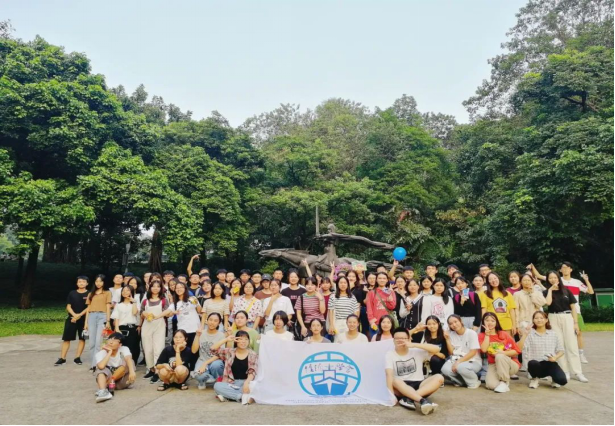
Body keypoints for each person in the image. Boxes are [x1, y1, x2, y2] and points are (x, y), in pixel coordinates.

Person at [532, 262, 594, 364]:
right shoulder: (556, 279)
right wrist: (532, 266)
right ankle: (562, 358)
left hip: (575, 310)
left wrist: (586, 280)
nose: (565, 269)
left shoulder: (577, 282)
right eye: (563, 267)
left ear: (571, 269)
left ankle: (581, 354)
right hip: (557, 312)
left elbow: (590, 291)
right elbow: (539, 276)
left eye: (567, 267)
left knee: (578, 333)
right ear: (560, 270)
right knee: (559, 337)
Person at [385, 328, 443, 415]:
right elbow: (388, 374)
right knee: (394, 380)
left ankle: (409, 399)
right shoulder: (390, 354)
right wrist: (391, 395)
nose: (400, 340)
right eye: (397, 338)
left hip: (419, 385)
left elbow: (437, 349)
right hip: (401, 387)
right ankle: (422, 400)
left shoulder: (416, 351)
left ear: (409, 339)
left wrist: (414, 345)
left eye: (403, 338)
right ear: (393, 340)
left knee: (439, 377)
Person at [544, 271, 588, 383]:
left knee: (572, 345)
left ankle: (578, 372)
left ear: (558, 278)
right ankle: (565, 371)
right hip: (553, 317)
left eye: (555, 277)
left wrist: (575, 323)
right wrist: (550, 290)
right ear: (548, 280)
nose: (553, 280)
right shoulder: (546, 292)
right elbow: (548, 303)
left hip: (567, 317)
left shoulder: (566, 291)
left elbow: (573, 307)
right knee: (559, 345)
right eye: (550, 278)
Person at [518, 311, 568, 389]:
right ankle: (535, 378)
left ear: (546, 320)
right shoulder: (530, 334)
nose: (539, 320)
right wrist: (525, 334)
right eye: (536, 318)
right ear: (533, 320)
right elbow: (519, 348)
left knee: (562, 380)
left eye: (542, 318)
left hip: (550, 363)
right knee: (532, 363)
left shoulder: (553, 334)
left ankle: (554, 378)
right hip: (535, 364)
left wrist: (555, 357)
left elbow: (561, 350)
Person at [479, 313, 521, 393]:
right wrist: (487, 335)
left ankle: (504, 381)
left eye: (492, 320)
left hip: (510, 364)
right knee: (491, 385)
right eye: (487, 320)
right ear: (483, 322)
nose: (490, 322)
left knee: (499, 356)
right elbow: (484, 350)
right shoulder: (481, 335)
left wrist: (503, 353)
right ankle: (502, 381)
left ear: (496, 322)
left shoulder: (503, 334)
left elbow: (517, 351)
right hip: (493, 364)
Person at [211, 331, 258, 404]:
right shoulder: (229, 352)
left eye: (246, 339)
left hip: (246, 382)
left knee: (256, 386)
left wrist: (246, 383)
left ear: (249, 341)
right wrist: (226, 339)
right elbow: (213, 349)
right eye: (240, 339)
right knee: (217, 386)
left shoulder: (253, 354)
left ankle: (228, 396)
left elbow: (252, 371)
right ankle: (241, 397)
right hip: (231, 383)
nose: (243, 341)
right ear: (236, 341)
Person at [141, 280, 174, 384]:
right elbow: (141, 313)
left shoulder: (164, 300)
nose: (155, 288)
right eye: (153, 286)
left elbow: (168, 313)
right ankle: (151, 369)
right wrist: (144, 314)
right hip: (147, 326)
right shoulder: (145, 301)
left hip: (159, 326)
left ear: (161, 288)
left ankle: (157, 371)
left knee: (158, 349)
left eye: (158, 286)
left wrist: (170, 312)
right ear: (149, 288)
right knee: (147, 349)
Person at [55, 276, 89, 366]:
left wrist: (79, 315)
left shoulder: (89, 294)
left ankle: (77, 358)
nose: (81, 283)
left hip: (84, 320)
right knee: (66, 338)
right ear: (77, 283)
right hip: (71, 319)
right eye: (79, 281)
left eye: (83, 281)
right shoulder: (72, 293)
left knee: (82, 338)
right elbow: (68, 306)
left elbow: (89, 307)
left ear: (87, 283)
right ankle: (62, 358)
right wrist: (74, 315)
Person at [93, 332, 136, 403]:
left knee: (129, 362)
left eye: (115, 340)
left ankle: (103, 387)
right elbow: (101, 366)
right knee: (100, 369)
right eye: (110, 339)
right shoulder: (101, 353)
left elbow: (128, 358)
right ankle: (103, 392)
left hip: (120, 382)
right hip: (109, 383)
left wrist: (132, 372)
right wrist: (109, 352)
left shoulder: (124, 349)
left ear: (120, 345)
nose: (111, 342)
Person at [441, 315, 482, 389]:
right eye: (451, 323)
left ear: (461, 321)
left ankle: (474, 382)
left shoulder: (472, 333)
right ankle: (462, 382)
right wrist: (447, 339)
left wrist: (458, 362)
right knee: (445, 370)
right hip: (456, 359)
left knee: (460, 367)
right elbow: (451, 353)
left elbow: (473, 352)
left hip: (473, 361)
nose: (454, 325)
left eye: (455, 322)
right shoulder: (451, 334)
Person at [191, 313, 226, 390]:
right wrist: (197, 335)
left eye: (215, 321)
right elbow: (194, 350)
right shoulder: (201, 333)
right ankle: (205, 380)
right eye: (210, 320)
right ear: (207, 321)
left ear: (219, 323)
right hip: (202, 360)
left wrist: (205, 363)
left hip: (215, 361)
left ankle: (217, 380)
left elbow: (219, 354)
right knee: (197, 374)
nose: (212, 322)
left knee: (216, 365)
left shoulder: (221, 335)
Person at [84, 274, 112, 370]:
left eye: (100, 281)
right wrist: (86, 323)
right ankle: (93, 362)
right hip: (91, 316)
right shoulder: (91, 294)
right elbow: (88, 309)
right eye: (96, 281)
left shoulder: (107, 293)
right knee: (91, 343)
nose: (98, 283)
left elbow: (108, 307)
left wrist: (108, 321)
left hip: (102, 316)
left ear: (104, 282)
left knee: (98, 342)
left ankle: (95, 365)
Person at [111, 285, 140, 366]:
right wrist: (117, 329)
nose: (125, 292)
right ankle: (122, 365)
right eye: (123, 291)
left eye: (127, 290)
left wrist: (134, 302)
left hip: (132, 327)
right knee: (122, 347)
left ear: (131, 292)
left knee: (133, 347)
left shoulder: (134, 303)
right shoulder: (118, 305)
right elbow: (116, 317)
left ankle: (132, 365)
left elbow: (134, 313)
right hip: (122, 328)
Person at [328, 277, 360, 342]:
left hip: (349, 323)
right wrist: (331, 325)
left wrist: (355, 323)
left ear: (347, 284)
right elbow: (330, 311)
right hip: (337, 323)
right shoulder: (333, 296)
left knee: (349, 341)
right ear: (337, 284)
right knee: (338, 341)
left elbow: (356, 311)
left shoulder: (352, 297)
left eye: (345, 283)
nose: (343, 284)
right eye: (341, 283)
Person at [173, 282, 202, 350]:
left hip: (195, 329)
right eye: (177, 288)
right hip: (182, 330)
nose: (179, 289)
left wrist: (196, 303)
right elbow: (168, 313)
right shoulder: (175, 303)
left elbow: (200, 311)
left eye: (181, 287)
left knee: (195, 350)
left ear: (185, 289)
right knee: (183, 350)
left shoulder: (192, 298)